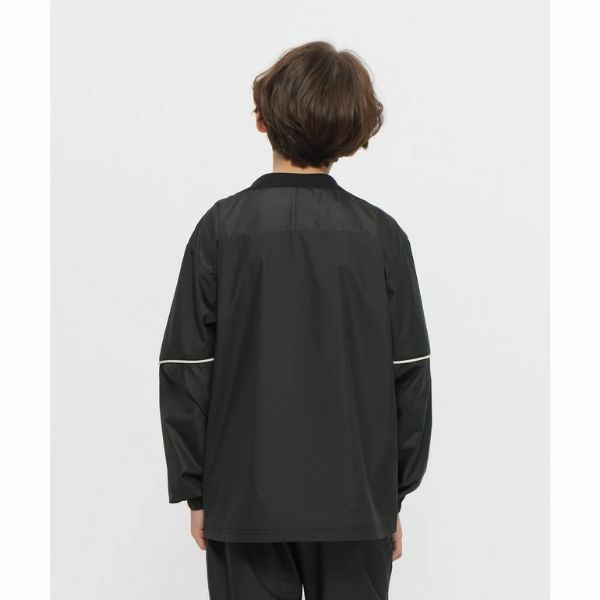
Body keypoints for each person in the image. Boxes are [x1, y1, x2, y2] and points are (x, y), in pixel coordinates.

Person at [159, 41, 432, 600]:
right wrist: (391, 497)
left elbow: (186, 366)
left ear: (261, 121)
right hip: (357, 504)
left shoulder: (221, 229)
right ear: (352, 131)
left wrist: (198, 492)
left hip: (244, 500)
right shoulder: (382, 238)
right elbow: (409, 374)